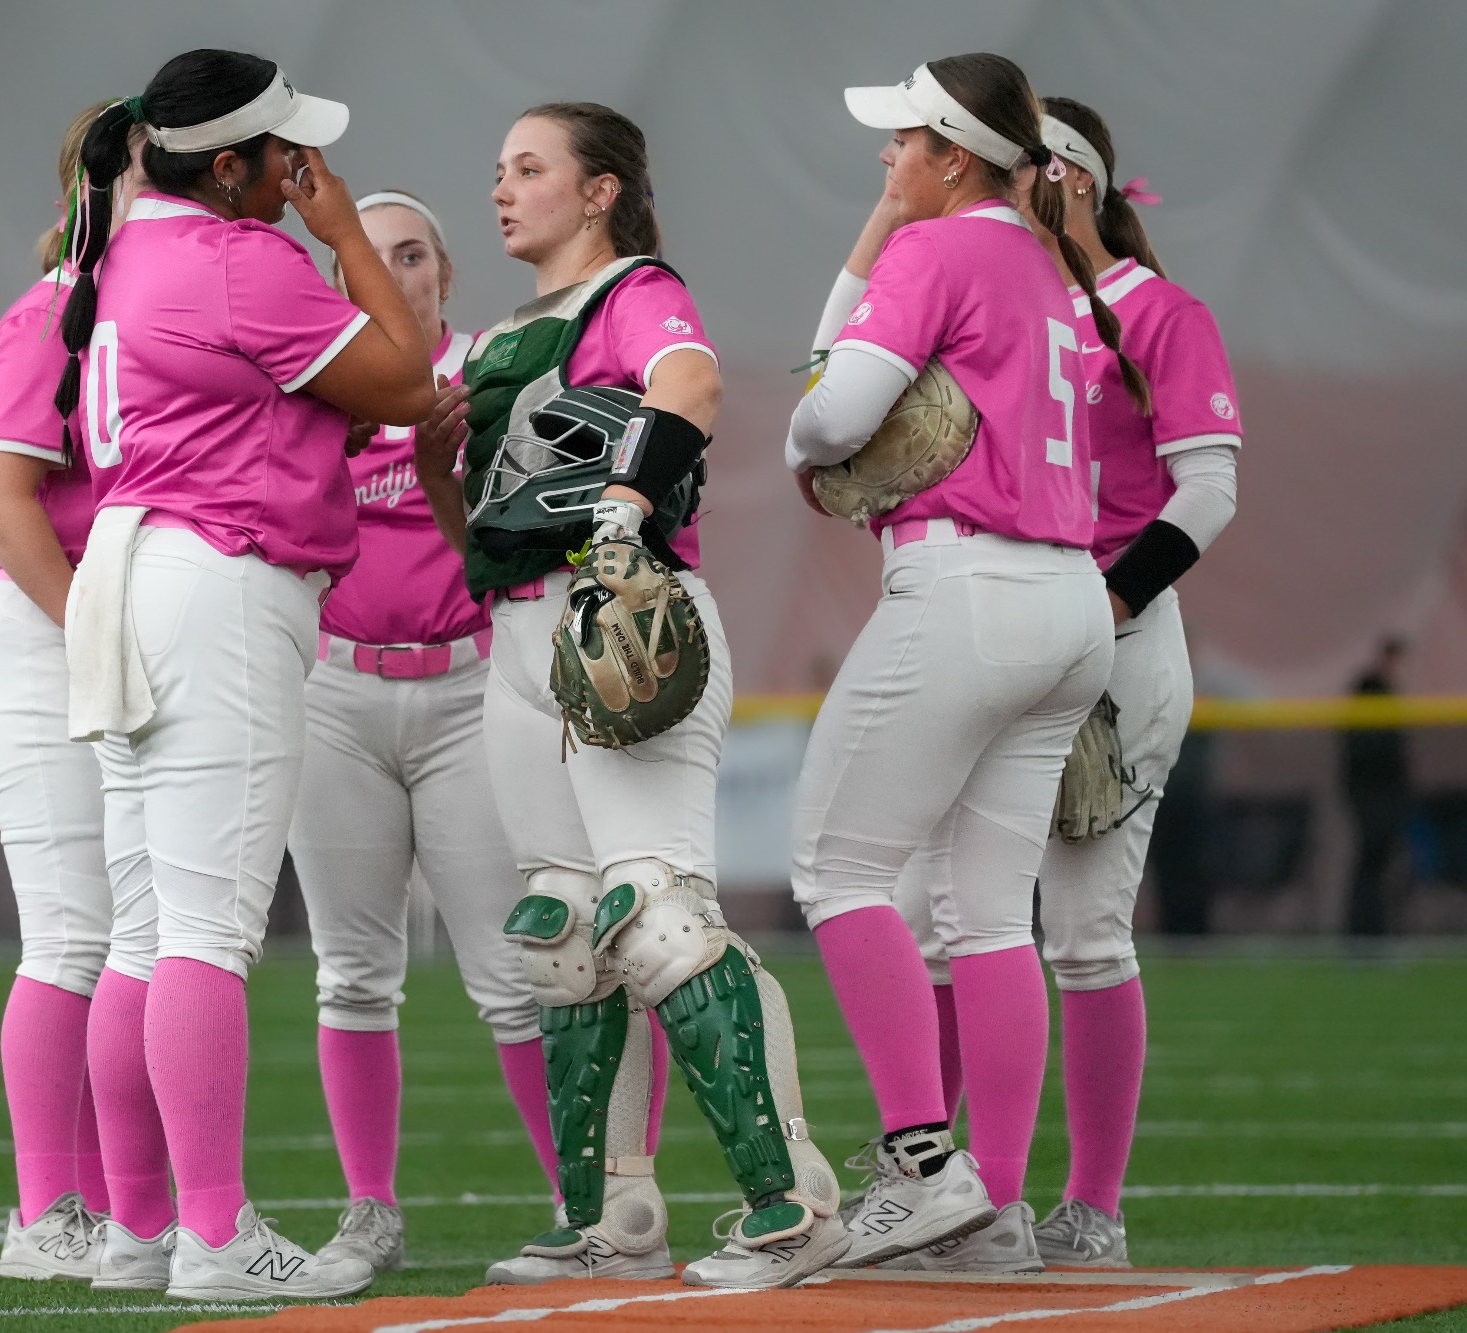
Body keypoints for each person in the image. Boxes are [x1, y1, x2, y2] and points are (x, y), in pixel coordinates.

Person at [415, 102, 845, 1292]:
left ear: (598, 191)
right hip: (516, 635)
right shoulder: (509, 330)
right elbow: (485, 541)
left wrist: (622, 505)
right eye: (496, 169)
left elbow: (689, 384)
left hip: (615, 613)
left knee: (650, 914)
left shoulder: (632, 290)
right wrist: (427, 475)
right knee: (560, 940)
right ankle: (611, 1218)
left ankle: (788, 1203)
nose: (501, 189)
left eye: (529, 168)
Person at [56, 50, 435, 1301]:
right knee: (208, 930)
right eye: (281, 154)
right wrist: (341, 237)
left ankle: (143, 1228)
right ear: (225, 165)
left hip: (138, 563)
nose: (300, 171)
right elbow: (407, 378)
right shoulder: (235, 257)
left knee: (148, 934)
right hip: (217, 576)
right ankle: (215, 1239)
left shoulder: (126, 248)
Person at [882, 95, 1242, 1270]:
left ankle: (1090, 1204)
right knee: (945, 922)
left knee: (1084, 933)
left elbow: (1205, 490)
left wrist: (1107, 604)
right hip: (996, 627)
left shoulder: (1157, 313)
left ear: (1070, 180)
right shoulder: (991, 297)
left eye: (1015, 162)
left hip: (1114, 630)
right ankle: (946, 1191)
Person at [784, 54, 1118, 1269]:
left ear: (951, 154)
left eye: (901, 144)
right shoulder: (1049, 261)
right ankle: (998, 1213)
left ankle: (925, 1163)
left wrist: (806, 424)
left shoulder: (940, 252)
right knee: (984, 916)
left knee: (832, 867)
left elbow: (827, 411)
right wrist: (881, 226)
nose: (887, 158)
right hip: (1070, 597)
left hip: (966, 582)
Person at [287, 190, 557, 1274]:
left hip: (467, 690)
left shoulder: (491, 373)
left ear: (444, 274)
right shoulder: (308, 392)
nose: (391, 273)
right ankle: (368, 1213)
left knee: (515, 974)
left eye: (412, 255)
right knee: (351, 972)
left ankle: (582, 1203)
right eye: (371, 256)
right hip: (336, 696)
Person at [0, 100, 142, 1285]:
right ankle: (45, 1215)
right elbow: (0, 498)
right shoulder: (50, 314)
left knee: (142, 936)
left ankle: (131, 1210)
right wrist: (93, 634)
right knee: (73, 934)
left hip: (111, 632)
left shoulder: (153, 312)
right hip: (43, 628)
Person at [1343, 637, 1411, 936]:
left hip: (1385, 793)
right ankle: (1363, 932)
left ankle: (1375, 932)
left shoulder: (1389, 693)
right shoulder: (1368, 689)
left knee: (1380, 864)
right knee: (1369, 863)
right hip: (1370, 794)